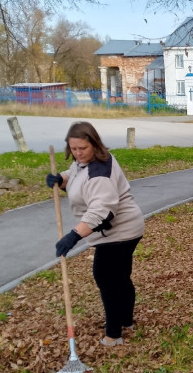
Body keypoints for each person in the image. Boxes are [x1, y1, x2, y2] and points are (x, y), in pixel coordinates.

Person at [46, 122, 145, 345]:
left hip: (120, 231)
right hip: (124, 228)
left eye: (83, 148)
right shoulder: (84, 162)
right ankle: (126, 321)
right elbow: (74, 173)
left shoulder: (100, 172)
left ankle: (113, 335)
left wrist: (74, 235)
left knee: (106, 278)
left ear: (94, 144)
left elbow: (103, 211)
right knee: (119, 277)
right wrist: (60, 180)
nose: (78, 153)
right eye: (74, 149)